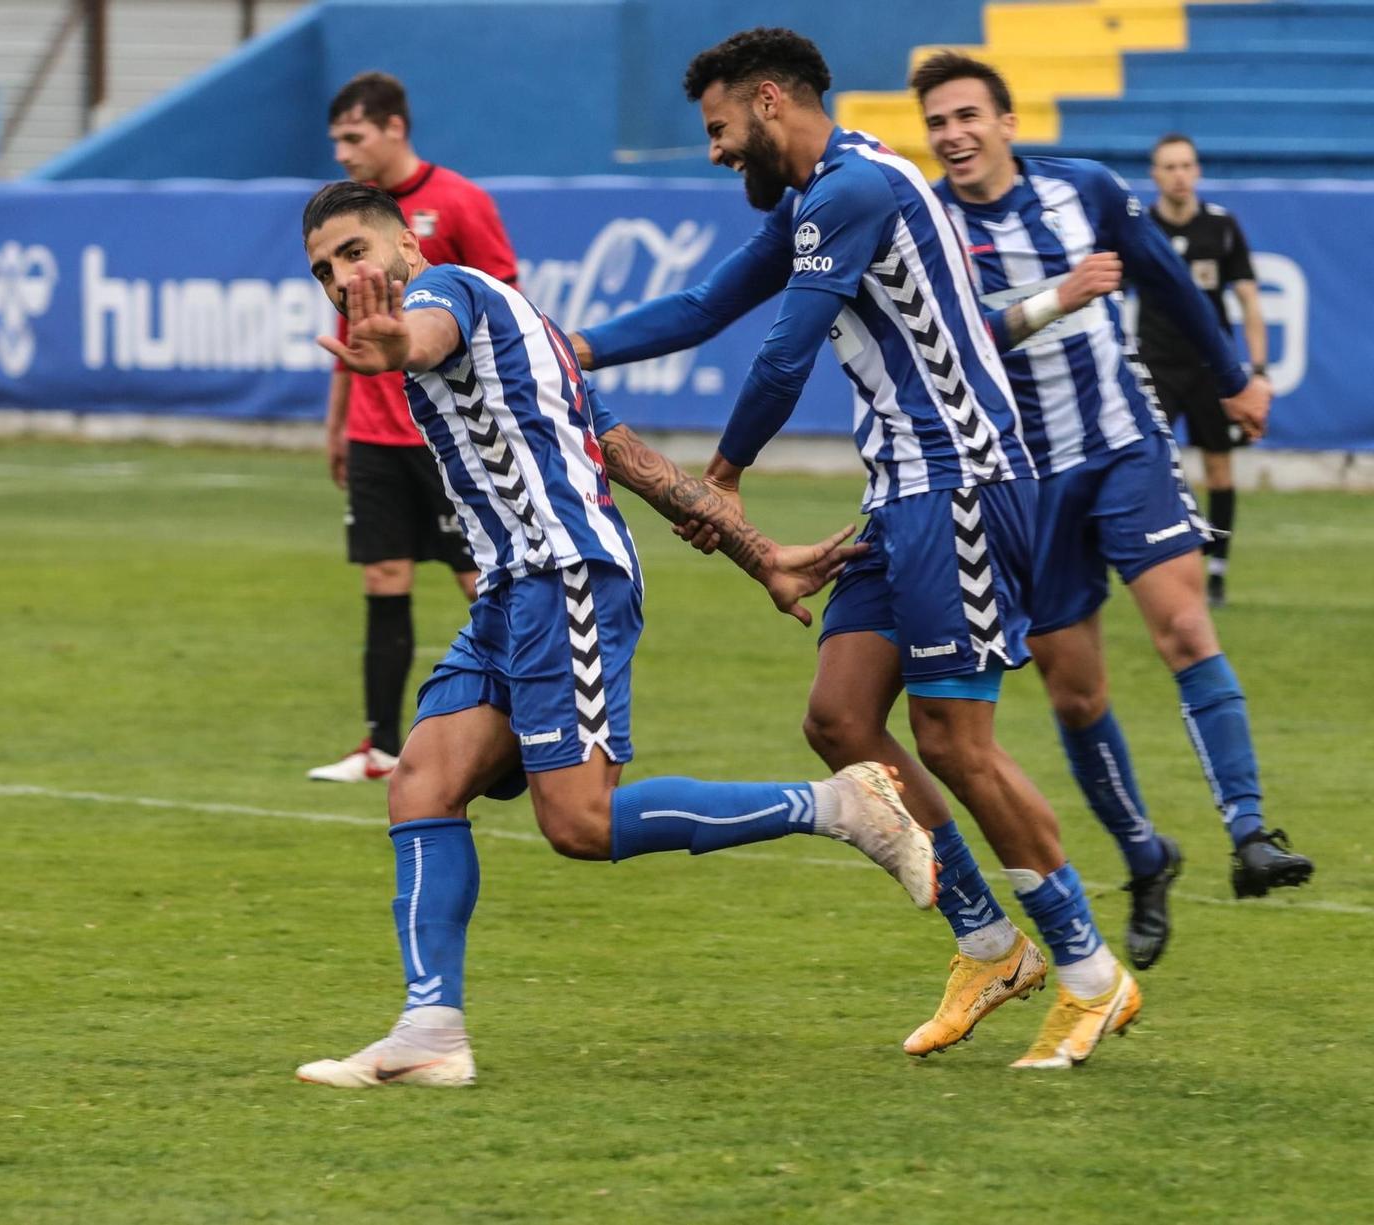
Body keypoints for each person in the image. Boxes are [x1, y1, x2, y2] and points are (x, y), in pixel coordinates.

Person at [292, 180, 938, 1088]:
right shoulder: (529, 328)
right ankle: (431, 1030)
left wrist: (395, 341)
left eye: (354, 251)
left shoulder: (448, 296)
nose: (341, 276)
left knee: (581, 823)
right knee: (422, 781)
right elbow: (622, 452)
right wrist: (762, 556)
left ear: (408, 239)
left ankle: (841, 806)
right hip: (513, 593)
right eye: (323, 269)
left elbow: (422, 329)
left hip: (566, 584)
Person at [575, 28, 1139, 1069]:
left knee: (953, 741)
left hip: (961, 483)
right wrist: (578, 344)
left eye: (716, 130)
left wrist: (726, 476)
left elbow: (785, 352)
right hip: (901, 493)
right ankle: (985, 943)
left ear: (770, 101)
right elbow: (704, 307)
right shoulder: (817, 196)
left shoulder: (852, 189)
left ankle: (1089, 972)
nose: (712, 153)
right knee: (837, 720)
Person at [908, 52, 1313, 969]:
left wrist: (1234, 378)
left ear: (1009, 123)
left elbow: (1166, 278)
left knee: (1181, 625)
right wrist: (1059, 294)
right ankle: (1145, 855)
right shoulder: (928, 225)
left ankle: (1250, 832)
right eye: (937, 123)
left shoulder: (1083, 188)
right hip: (1026, 476)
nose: (954, 134)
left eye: (968, 115)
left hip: (1124, 444)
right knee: (1075, 689)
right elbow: (964, 328)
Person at [307, 72, 521, 784]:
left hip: (447, 436)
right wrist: (337, 425)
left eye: (354, 136)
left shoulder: (458, 202)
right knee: (383, 575)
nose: (343, 152)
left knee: (482, 580)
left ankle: (529, 724)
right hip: (373, 433)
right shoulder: (347, 233)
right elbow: (354, 337)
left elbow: (500, 302)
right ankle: (378, 745)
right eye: (336, 139)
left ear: (395, 128)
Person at [1139, 133, 1270, 609]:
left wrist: (1256, 369)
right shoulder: (1140, 227)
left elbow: (1250, 302)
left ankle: (1217, 571)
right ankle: (1162, 564)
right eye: (1168, 166)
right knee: (1152, 466)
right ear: (1154, 174)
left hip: (1210, 366)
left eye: (1186, 165)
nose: (1178, 174)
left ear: (1197, 171)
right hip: (1156, 361)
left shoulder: (1221, 227)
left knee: (1219, 466)